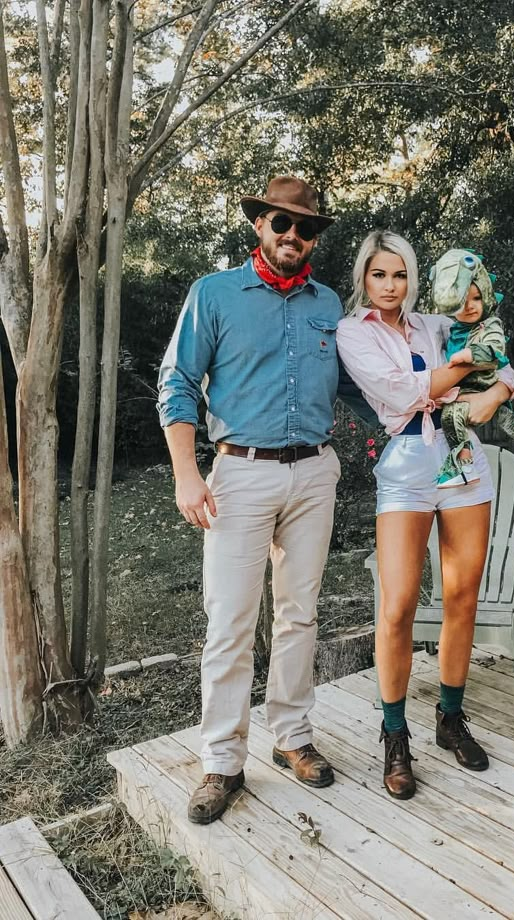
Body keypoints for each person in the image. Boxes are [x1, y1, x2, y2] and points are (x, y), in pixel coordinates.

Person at [157, 176, 346, 825]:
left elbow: (363, 379)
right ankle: (222, 761)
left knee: (299, 614)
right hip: (239, 474)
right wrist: (188, 474)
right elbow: (177, 383)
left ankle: (292, 736)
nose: (293, 236)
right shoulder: (214, 295)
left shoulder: (330, 304)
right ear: (259, 225)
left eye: (306, 227)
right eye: (281, 223)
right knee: (232, 621)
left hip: (314, 474)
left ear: (315, 236)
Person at [336, 231, 514, 800]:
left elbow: (502, 361)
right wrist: (469, 370)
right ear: (363, 279)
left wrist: (496, 393)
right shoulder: (352, 333)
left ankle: (450, 717)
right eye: (378, 275)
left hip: (465, 462)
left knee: (462, 595)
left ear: (413, 278)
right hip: (408, 465)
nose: (390, 287)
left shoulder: (434, 324)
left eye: (399, 275)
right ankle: (395, 736)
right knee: (396, 608)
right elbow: (404, 394)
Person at [431, 248, 514, 488]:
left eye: (476, 298)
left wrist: (469, 355)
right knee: (452, 415)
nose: (470, 306)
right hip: (467, 390)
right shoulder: (451, 328)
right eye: (462, 301)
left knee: (450, 417)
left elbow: (495, 350)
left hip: (483, 381)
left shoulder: (488, 324)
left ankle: (463, 465)